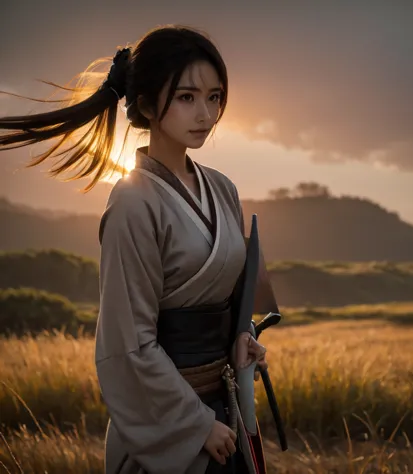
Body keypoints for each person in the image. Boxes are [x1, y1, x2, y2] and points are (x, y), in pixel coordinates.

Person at [0, 24, 269, 474]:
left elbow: (230, 295)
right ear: (145, 104)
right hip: (170, 424)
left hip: (228, 410)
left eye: (214, 97)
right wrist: (195, 424)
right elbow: (128, 344)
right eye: (186, 97)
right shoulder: (131, 201)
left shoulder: (223, 189)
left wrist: (243, 339)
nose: (205, 113)